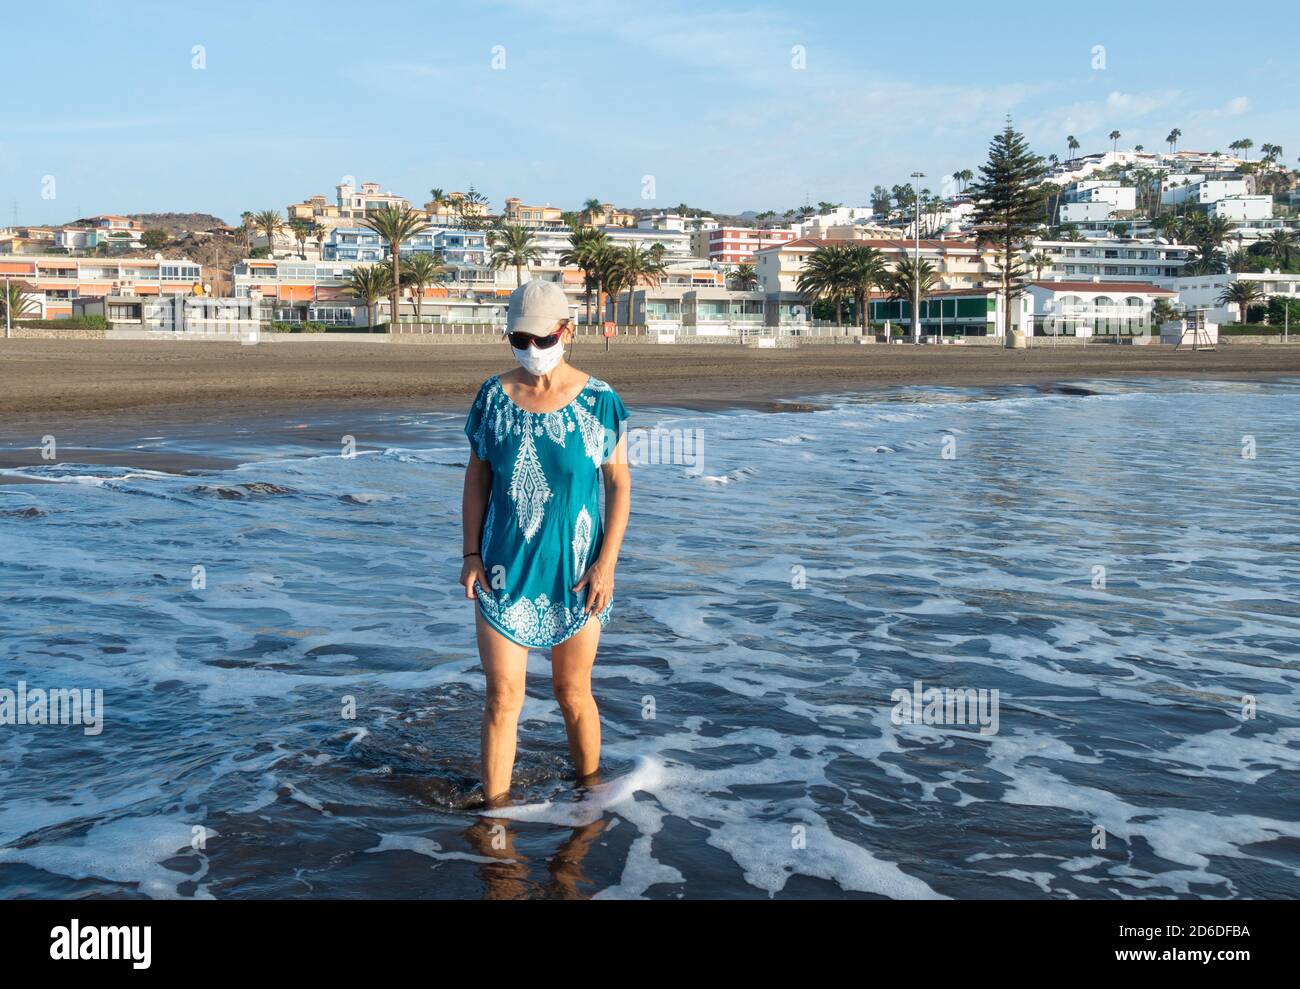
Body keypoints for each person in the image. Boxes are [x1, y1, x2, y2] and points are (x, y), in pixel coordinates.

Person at [460, 280, 631, 807]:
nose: (531, 350)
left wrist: (607, 564)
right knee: (502, 698)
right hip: (503, 570)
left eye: (541, 339)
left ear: (567, 332)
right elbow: (477, 478)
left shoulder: (601, 401)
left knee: (572, 693)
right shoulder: (493, 397)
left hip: (578, 572)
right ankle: (495, 817)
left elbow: (619, 483)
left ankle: (590, 799)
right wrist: (470, 554)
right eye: (520, 339)